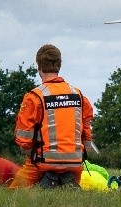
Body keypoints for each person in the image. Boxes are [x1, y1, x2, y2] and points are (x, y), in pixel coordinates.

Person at [11, 44, 97, 189]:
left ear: (39, 67)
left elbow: (24, 140)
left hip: (41, 164)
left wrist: (30, 153)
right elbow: (87, 131)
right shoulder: (78, 95)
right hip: (75, 165)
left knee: (11, 197)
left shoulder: (34, 97)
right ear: (59, 65)